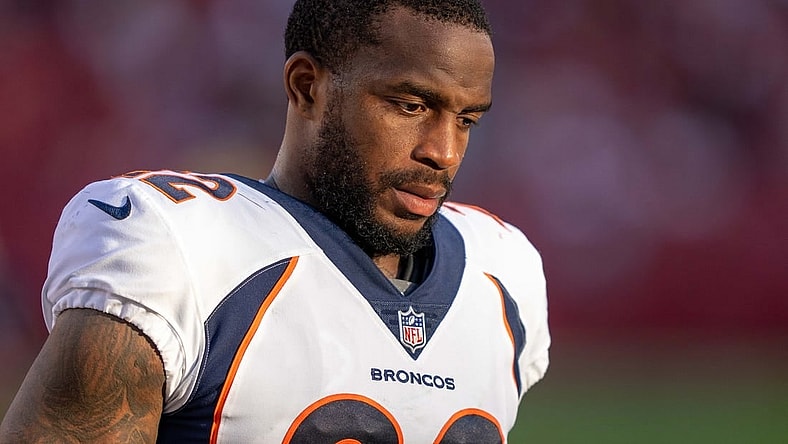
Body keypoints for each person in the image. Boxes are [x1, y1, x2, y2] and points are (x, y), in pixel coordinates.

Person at [0, 0, 550, 442]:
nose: (444, 153)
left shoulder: (503, 271)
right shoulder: (181, 244)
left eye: (468, 119)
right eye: (409, 106)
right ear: (307, 86)